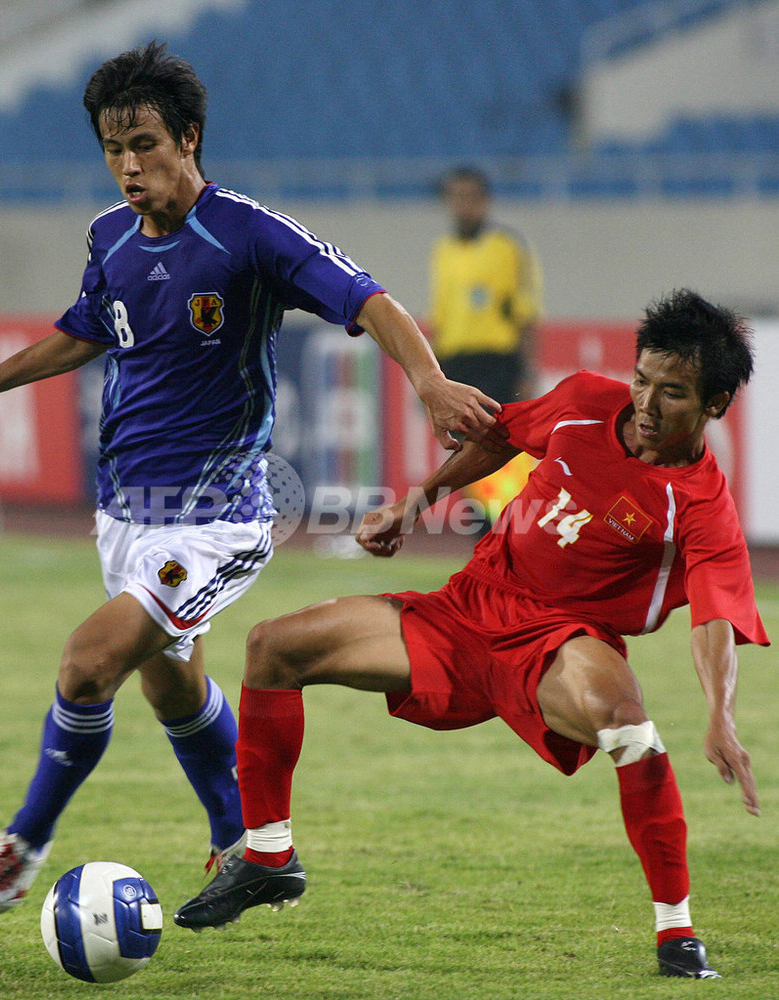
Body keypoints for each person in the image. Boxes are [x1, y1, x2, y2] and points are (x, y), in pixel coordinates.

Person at [0, 41, 499, 918]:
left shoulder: (246, 232)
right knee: (172, 687)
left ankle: (21, 847)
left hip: (217, 520)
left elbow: (368, 299)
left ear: (188, 137)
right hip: (127, 515)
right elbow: (84, 330)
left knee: (87, 665)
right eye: (113, 149)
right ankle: (242, 841)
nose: (129, 165)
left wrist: (429, 380)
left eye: (144, 142)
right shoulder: (109, 236)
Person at [174, 290, 769, 980]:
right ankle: (270, 854)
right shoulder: (584, 399)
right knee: (272, 646)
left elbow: (715, 617)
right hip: (465, 610)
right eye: (642, 379)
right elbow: (499, 437)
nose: (645, 403)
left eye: (672, 393)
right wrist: (416, 502)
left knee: (631, 732)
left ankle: (677, 933)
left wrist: (721, 717)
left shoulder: (700, 503)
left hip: (561, 643)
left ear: (715, 405)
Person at [429, 165, 542, 405]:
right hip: (453, 361)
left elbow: (526, 313)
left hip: (496, 361)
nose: (462, 205)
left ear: (484, 200)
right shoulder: (444, 249)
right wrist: (432, 371)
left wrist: (527, 371)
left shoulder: (507, 246)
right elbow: (440, 314)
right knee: (459, 441)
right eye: (456, 197)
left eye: (469, 197)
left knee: (492, 438)